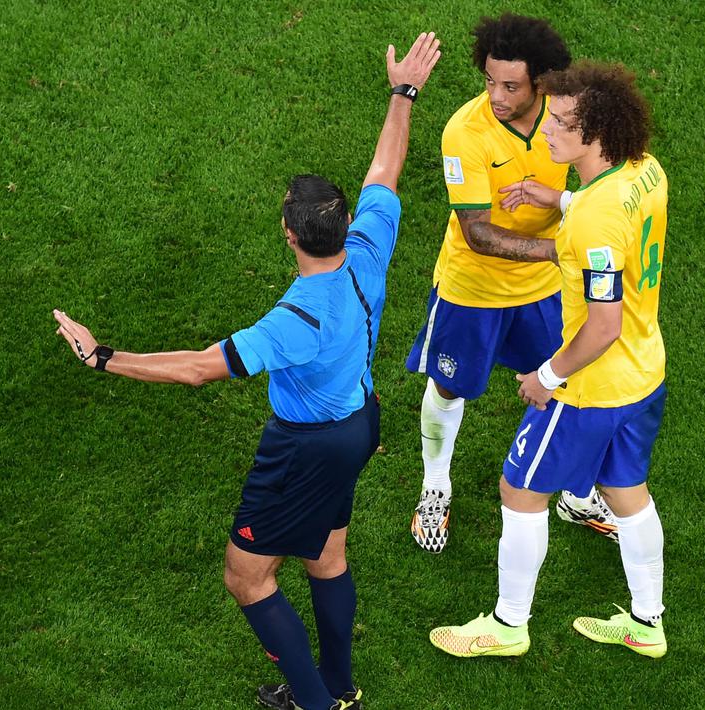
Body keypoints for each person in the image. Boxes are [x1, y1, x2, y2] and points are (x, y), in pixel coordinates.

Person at [53, 32, 441, 710]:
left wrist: (103, 356)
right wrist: (401, 93)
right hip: (358, 420)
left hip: (306, 447)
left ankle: (316, 703)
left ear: (287, 234)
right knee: (325, 557)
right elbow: (385, 168)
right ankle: (341, 689)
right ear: (344, 222)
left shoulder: (294, 320)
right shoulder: (368, 249)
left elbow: (199, 369)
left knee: (247, 578)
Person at [430, 60, 670, 658]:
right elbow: (609, 224)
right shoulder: (645, 171)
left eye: (562, 124)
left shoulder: (592, 218)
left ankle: (507, 627)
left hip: (591, 387)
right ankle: (647, 621)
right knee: (626, 489)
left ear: (596, 134)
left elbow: (603, 324)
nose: (548, 133)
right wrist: (562, 197)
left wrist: (546, 376)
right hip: (647, 372)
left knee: (519, 490)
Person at [404, 13, 616, 554]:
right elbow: (476, 232)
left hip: (543, 288)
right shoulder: (465, 132)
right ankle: (435, 484)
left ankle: (573, 491)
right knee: (449, 387)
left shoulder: (568, 116)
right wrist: (561, 252)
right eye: (489, 81)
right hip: (472, 290)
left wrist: (563, 215)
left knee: (566, 383)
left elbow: (601, 182)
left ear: (542, 82)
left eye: (510, 85)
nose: (496, 95)